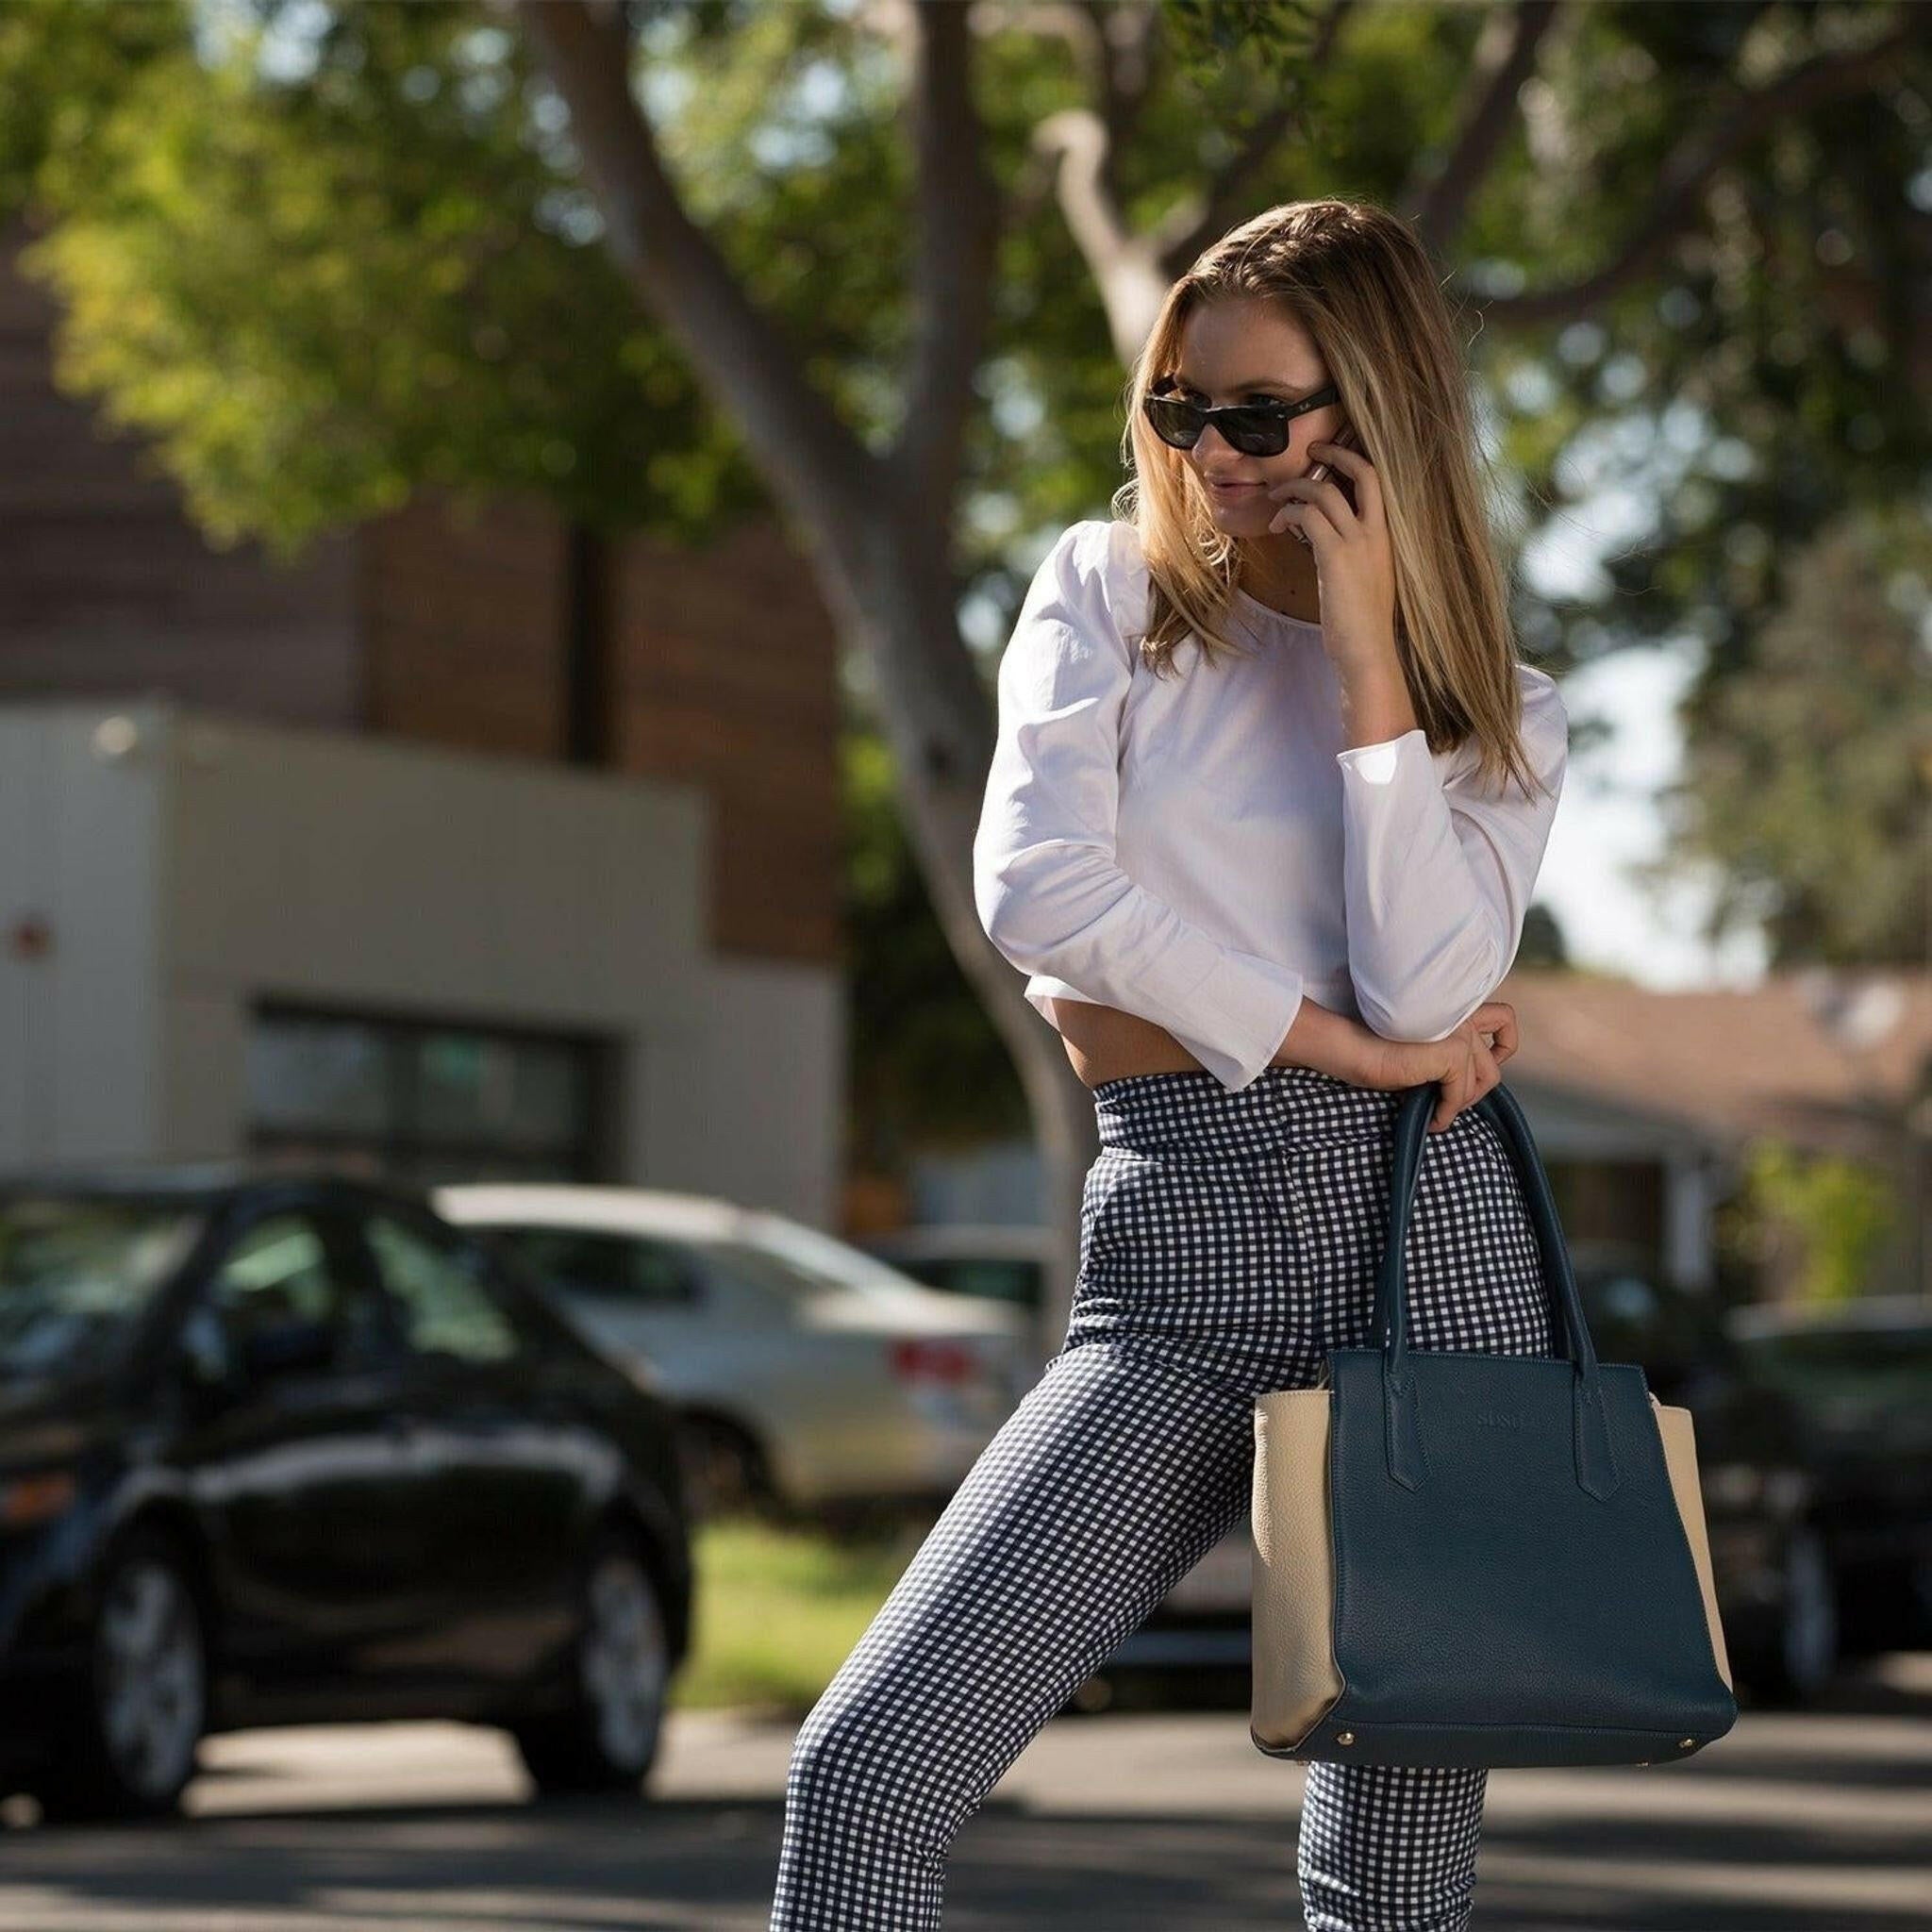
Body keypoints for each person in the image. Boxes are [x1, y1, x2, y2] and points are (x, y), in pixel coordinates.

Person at [769, 195, 1570, 1932]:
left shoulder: (1502, 712)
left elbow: (1441, 971)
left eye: (1256, 414)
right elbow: (1033, 892)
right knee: (862, 1782)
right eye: (1177, 409)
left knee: (1388, 1886)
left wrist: (1371, 666)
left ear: (1375, 419)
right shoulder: (1108, 592)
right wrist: (1340, 1038)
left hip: (1426, 1277)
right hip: (1184, 1263)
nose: (1208, 452)